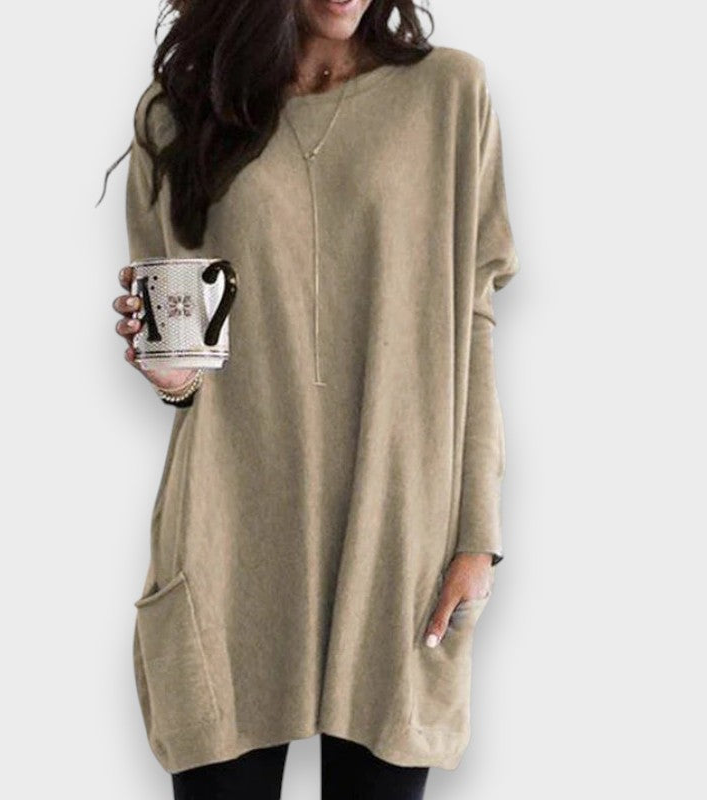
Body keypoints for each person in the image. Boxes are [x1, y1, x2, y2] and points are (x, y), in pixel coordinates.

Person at [108, 1, 520, 797]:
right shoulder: (181, 112)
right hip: (232, 533)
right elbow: (184, 343)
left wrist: (478, 535)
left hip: (397, 531)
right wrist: (170, 377)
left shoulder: (449, 94)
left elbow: (473, 322)